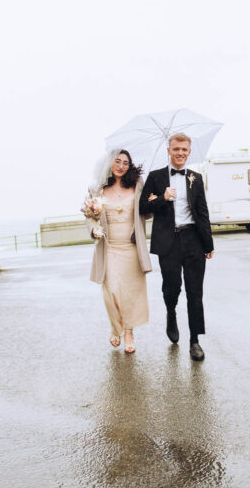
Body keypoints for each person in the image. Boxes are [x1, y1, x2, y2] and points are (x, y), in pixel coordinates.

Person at [138, 133, 214, 361]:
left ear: (189, 152)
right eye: (176, 149)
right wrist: (162, 197)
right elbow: (142, 207)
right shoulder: (155, 177)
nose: (180, 153)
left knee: (195, 292)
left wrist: (208, 243)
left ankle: (194, 341)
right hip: (168, 241)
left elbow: (202, 212)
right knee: (172, 288)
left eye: (184, 149)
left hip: (193, 240)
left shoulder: (196, 178)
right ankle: (171, 312)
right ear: (169, 150)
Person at [85, 149, 152, 354]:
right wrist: (93, 229)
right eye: (117, 161)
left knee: (130, 294)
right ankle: (116, 327)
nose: (121, 166)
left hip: (132, 248)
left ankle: (128, 332)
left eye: (125, 162)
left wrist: (153, 201)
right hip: (110, 247)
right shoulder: (97, 189)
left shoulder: (137, 185)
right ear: (110, 164)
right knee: (111, 292)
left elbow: (147, 214)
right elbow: (89, 216)